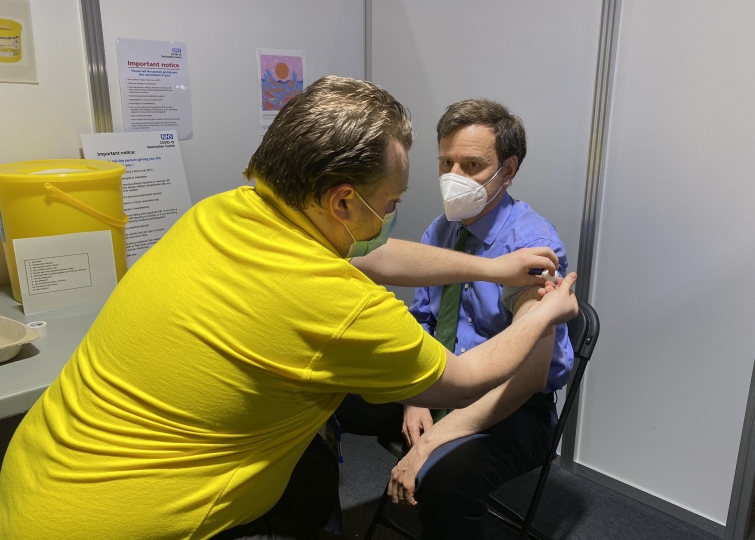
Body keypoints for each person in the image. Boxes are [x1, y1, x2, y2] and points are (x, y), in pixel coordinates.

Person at [0, 78, 577, 540]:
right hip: (129, 524)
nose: (451, 182)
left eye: (470, 165)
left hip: (36, 482)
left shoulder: (220, 213)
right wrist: (537, 316)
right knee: (329, 430)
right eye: (390, 202)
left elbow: (379, 255)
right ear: (342, 201)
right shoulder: (340, 299)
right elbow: (452, 368)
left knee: (434, 476)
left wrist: (496, 275)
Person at [335, 99, 573, 540]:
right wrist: (414, 394)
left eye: (472, 164)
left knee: (447, 483)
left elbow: (528, 376)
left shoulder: (534, 246)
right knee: (321, 392)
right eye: (446, 162)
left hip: (510, 402)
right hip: (440, 377)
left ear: (509, 169)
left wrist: (430, 441)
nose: (455, 178)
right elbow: (423, 320)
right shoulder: (442, 230)